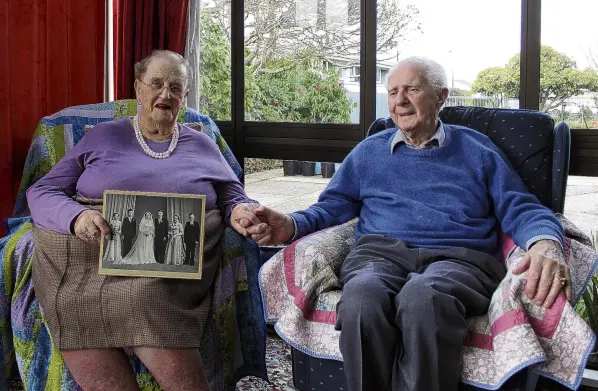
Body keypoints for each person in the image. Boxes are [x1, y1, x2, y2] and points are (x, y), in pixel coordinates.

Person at [245, 57, 573, 391]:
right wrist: (291, 224)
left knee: (423, 298)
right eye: (393, 92)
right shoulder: (368, 152)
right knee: (361, 300)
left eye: (412, 89)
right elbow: (332, 206)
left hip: (459, 257)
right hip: (378, 255)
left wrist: (545, 241)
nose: (400, 100)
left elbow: (519, 205)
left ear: (441, 96)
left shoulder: (478, 150)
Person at [26, 49, 262, 391]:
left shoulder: (203, 144)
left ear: (184, 96)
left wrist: (241, 212)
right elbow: (42, 191)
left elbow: (232, 196)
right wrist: (77, 217)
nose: (165, 94)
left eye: (175, 87)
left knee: (147, 295)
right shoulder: (103, 137)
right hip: (91, 256)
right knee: (79, 303)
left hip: (168, 262)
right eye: (156, 84)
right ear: (138, 89)